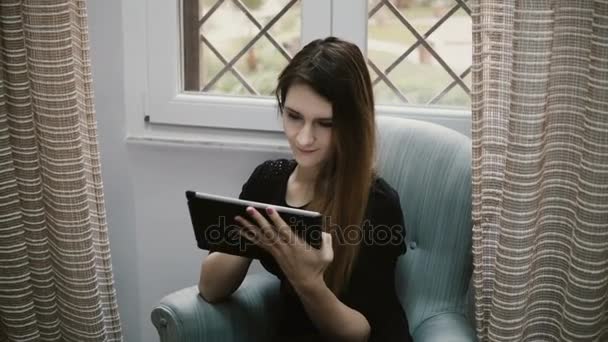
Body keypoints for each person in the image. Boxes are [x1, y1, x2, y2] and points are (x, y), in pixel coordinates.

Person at [198, 37, 412, 342]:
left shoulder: (377, 203)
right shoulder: (268, 179)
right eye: (293, 116)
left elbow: (362, 333)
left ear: (352, 124)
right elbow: (209, 288)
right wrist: (247, 237)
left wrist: (308, 282)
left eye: (325, 123)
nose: (304, 138)